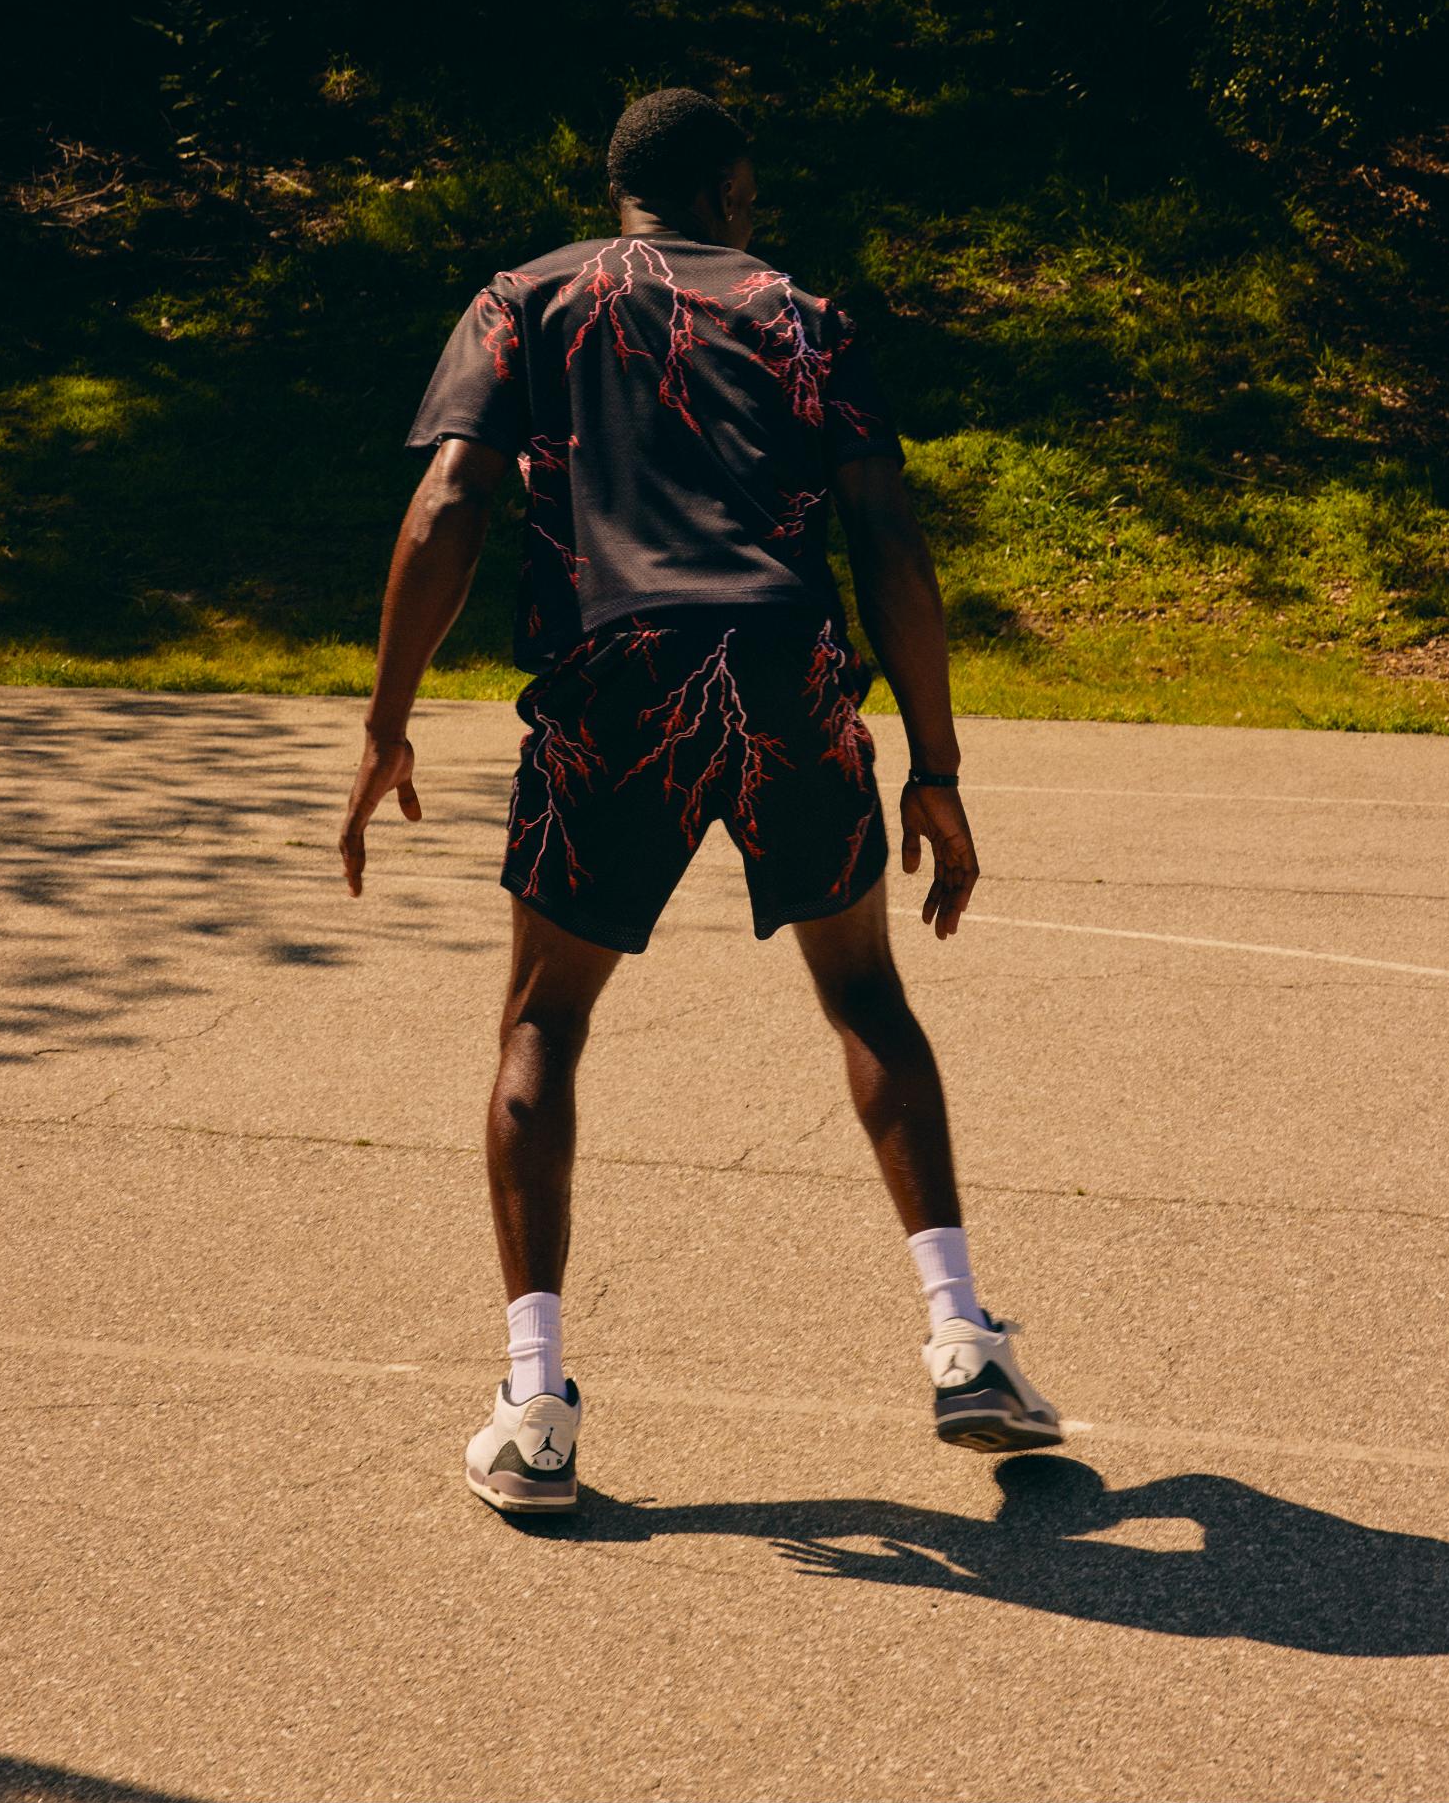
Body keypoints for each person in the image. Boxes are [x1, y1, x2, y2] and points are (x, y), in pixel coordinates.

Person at [339, 88, 1063, 1514]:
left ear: (623, 194)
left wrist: (387, 722)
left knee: (544, 1021)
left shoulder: (525, 300)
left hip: (619, 679)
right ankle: (961, 1339)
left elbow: (448, 508)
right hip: (790, 671)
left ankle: (536, 1408)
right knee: (864, 996)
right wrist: (937, 766)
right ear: (726, 189)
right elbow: (888, 535)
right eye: (751, 189)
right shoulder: (804, 315)